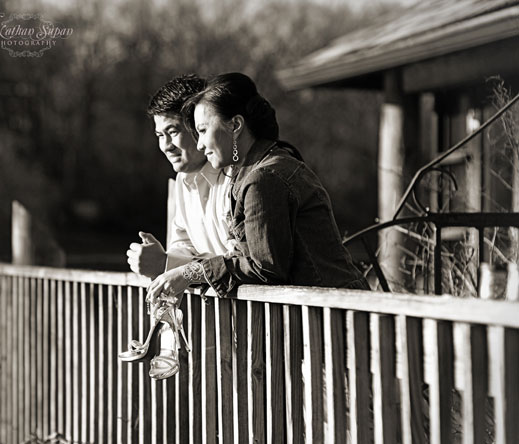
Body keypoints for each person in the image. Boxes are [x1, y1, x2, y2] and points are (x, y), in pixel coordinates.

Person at [147, 72, 368, 304]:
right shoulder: (261, 169)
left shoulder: (264, 178)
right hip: (329, 310)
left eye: (202, 131)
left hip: (338, 314)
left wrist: (190, 272)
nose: (200, 144)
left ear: (235, 125)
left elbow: (265, 267)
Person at [122, 75, 235, 380]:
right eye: (159, 135)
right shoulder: (181, 184)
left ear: (198, 127)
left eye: (172, 132)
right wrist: (162, 259)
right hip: (223, 339)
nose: (165, 146)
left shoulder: (236, 178)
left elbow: (240, 257)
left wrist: (165, 264)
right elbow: (185, 246)